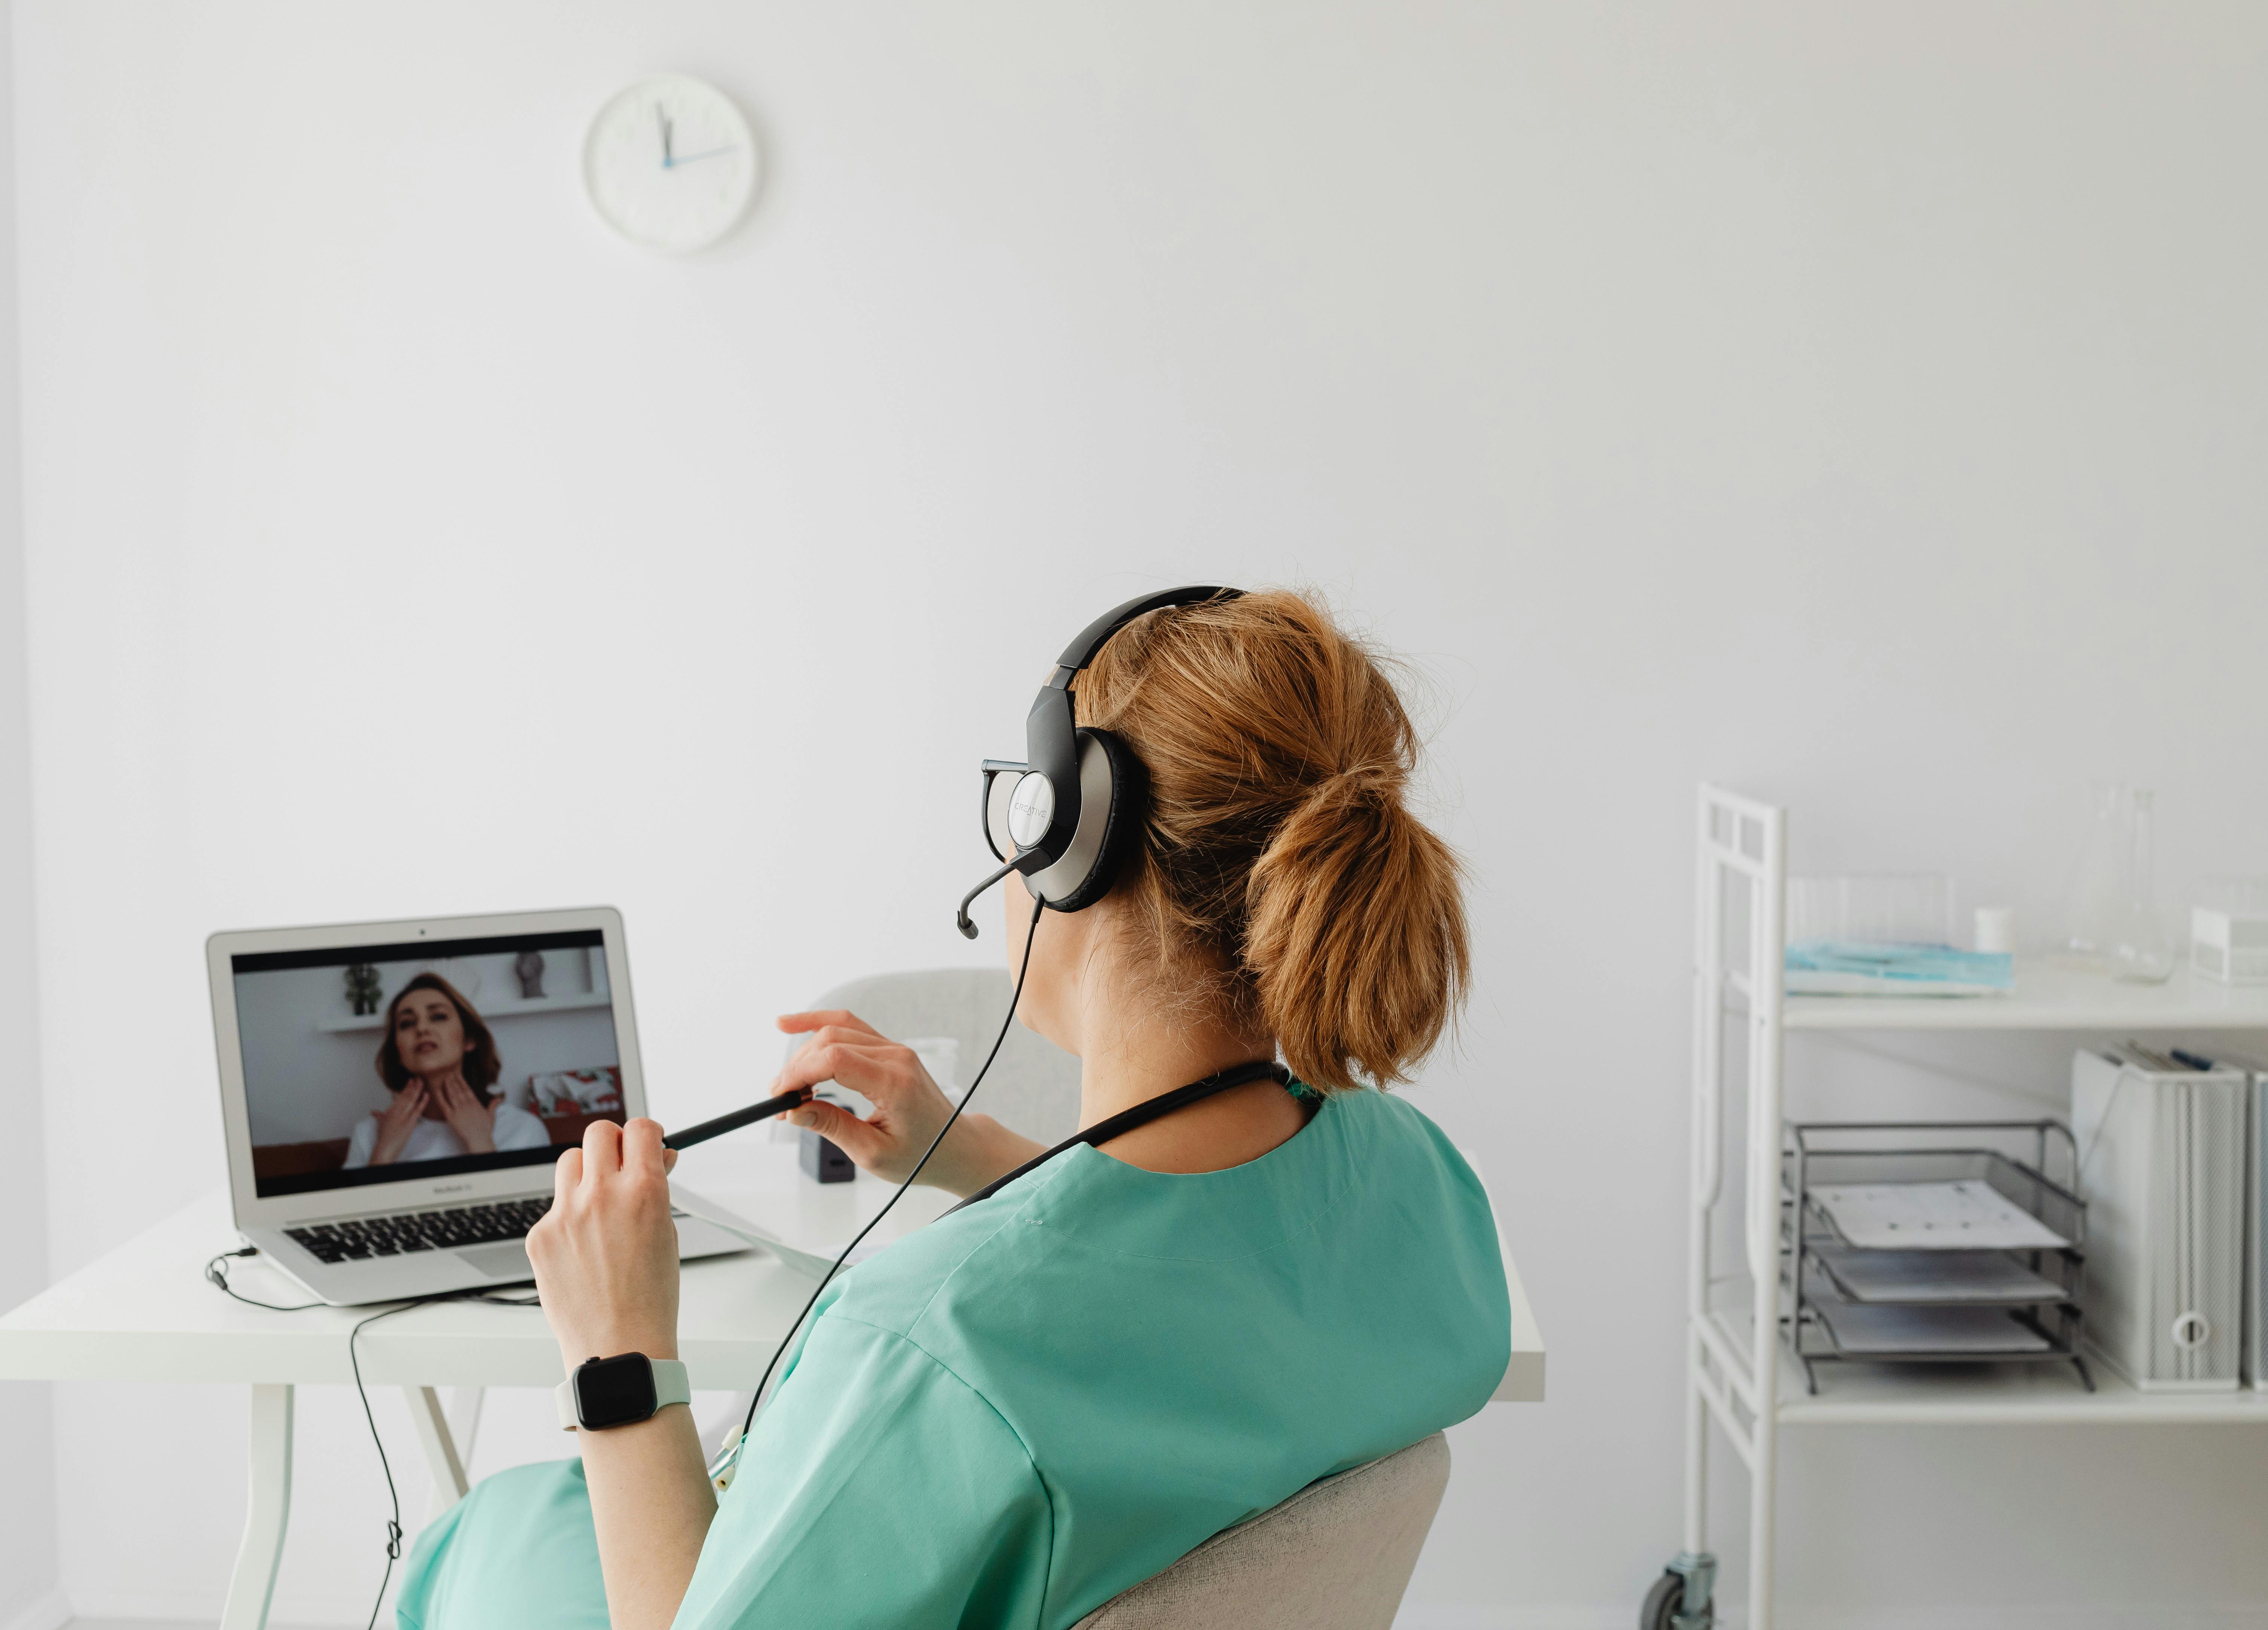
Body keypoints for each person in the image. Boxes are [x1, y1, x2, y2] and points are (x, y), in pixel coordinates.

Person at [396, 590, 1508, 1630]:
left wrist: (616, 1352)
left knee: (474, 1540)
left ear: (1076, 844)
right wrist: (974, 1156)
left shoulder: (927, 1350)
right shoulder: (1416, 1182)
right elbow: (1199, 1292)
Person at [343, 972, 551, 1168]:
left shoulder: (525, 1130)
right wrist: (384, 1153)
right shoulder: (369, 1135)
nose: (422, 1029)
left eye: (439, 1017)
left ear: (469, 1039)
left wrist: (482, 1145)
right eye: (407, 1023)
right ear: (398, 1051)